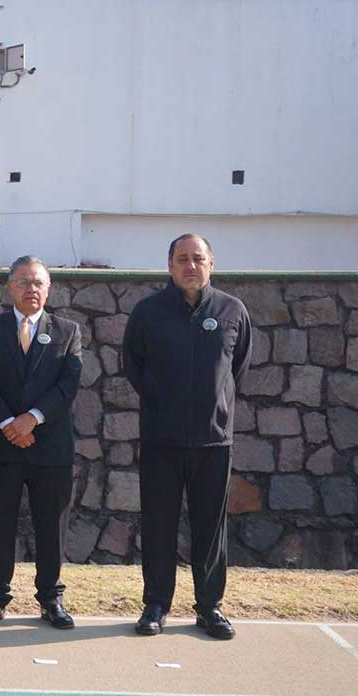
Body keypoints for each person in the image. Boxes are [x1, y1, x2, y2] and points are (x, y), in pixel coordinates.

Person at [123, 233, 251, 639]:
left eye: (198, 258)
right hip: (161, 439)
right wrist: (164, 403)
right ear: (169, 265)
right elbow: (133, 366)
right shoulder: (148, 312)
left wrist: (216, 407)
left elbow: (237, 370)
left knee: (210, 527)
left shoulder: (232, 310)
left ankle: (209, 606)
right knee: (159, 524)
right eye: (182, 259)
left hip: (214, 441)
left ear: (212, 263)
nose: (190, 265)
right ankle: (156, 604)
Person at [0, 256, 83, 629]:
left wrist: (31, 418)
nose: (31, 289)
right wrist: (8, 423)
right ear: (9, 287)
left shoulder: (67, 331)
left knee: (51, 525)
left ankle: (51, 598)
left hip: (50, 446)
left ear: (48, 289)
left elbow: (68, 386)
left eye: (38, 283)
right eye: (23, 282)